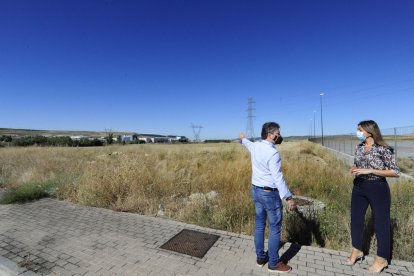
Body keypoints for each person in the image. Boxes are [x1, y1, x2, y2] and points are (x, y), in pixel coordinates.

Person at [240, 122, 296, 273]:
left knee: (259, 224)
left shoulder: (256, 146)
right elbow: (278, 178)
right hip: (269, 194)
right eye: (278, 132)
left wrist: (242, 138)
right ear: (270, 135)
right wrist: (288, 197)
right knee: (275, 228)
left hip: (256, 191)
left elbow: (246, 143)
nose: (279, 135)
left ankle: (260, 258)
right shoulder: (273, 153)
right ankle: (273, 263)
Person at [346, 120, 400, 273]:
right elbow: (358, 165)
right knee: (356, 219)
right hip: (359, 187)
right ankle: (357, 250)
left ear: (369, 132)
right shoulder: (360, 147)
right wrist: (355, 168)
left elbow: (395, 172)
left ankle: (382, 259)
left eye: (360, 129)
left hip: (377, 188)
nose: (357, 132)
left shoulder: (383, 149)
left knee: (381, 223)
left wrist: (369, 171)